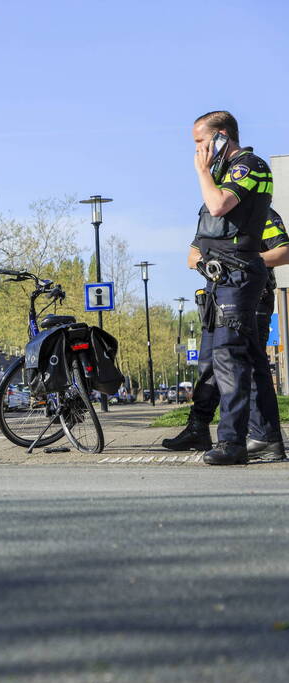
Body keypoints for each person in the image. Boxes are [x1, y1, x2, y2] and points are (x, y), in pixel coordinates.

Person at [186, 111, 281, 465]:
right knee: (253, 360)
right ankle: (268, 438)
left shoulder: (248, 165)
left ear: (222, 135)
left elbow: (218, 204)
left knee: (229, 359)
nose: (197, 150)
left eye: (200, 141)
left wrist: (202, 172)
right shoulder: (224, 173)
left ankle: (232, 442)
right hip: (223, 277)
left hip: (239, 273)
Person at [164, 208, 289, 462]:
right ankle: (198, 427)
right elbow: (192, 255)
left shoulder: (259, 213)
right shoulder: (215, 220)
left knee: (247, 367)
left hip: (250, 297)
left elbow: (284, 251)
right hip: (216, 298)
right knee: (209, 365)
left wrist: (242, 262)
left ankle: (263, 435)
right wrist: (206, 264)